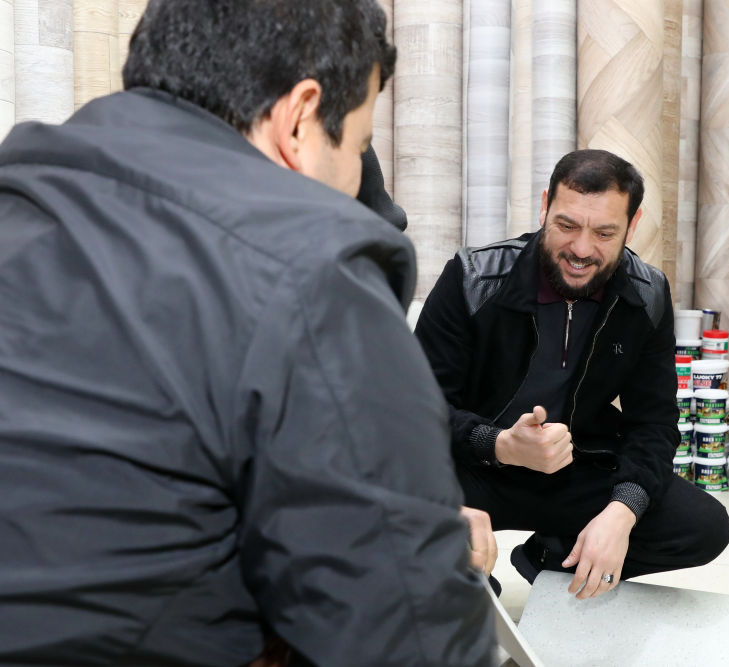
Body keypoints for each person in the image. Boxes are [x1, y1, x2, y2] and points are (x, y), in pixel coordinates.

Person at [0, 1, 495, 665]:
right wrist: (417, 540)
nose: (358, 179)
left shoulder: (24, 199)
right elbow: (412, 640)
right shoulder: (310, 272)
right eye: (359, 145)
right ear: (300, 118)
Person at [416, 149, 729, 600]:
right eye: (567, 225)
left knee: (701, 527)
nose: (581, 250)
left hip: (574, 467)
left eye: (604, 233)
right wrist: (499, 443)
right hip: (472, 465)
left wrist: (622, 512)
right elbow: (417, 408)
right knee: (384, 503)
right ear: (545, 206)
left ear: (633, 225)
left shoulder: (647, 295)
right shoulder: (473, 278)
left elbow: (654, 424)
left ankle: (551, 558)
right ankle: (465, 586)